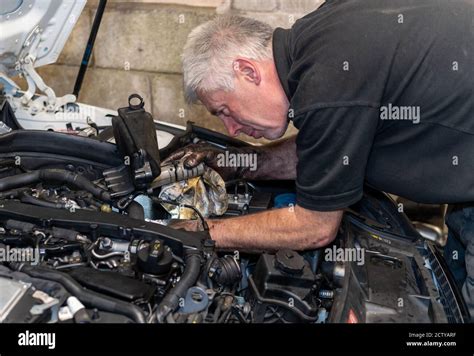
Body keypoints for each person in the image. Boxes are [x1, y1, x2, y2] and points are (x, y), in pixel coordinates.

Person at [164, 0, 473, 318]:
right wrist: (239, 163)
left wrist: (198, 232)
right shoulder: (319, 40)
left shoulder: (327, 81)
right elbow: (326, 145)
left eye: (224, 111)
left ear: (248, 71)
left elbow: (314, 227)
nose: (230, 127)